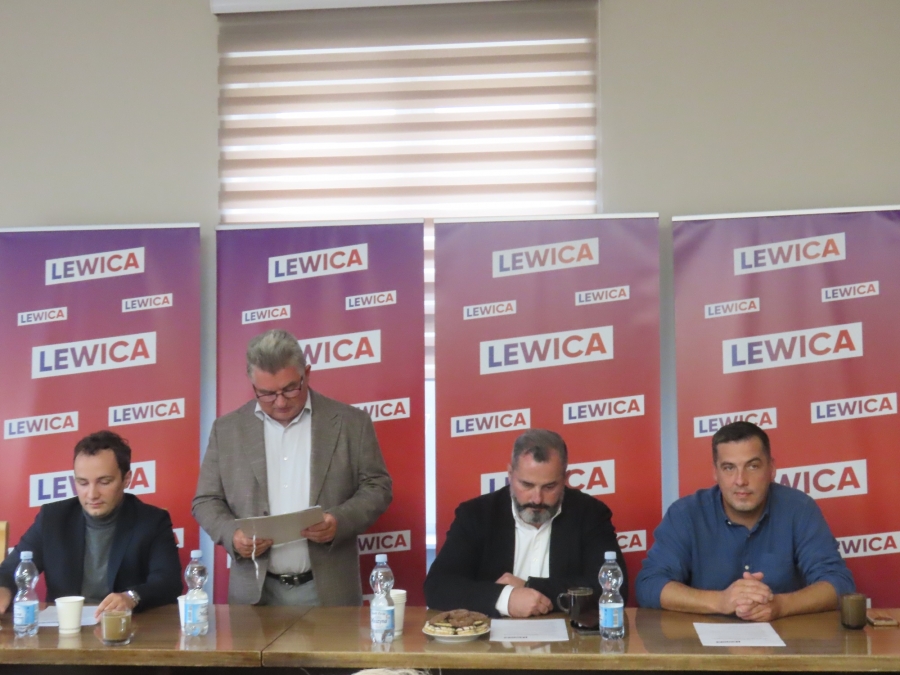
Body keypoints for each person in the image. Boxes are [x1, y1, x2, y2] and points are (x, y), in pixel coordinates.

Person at [193, 329, 392, 606]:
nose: (280, 402)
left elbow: (377, 487)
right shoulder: (226, 429)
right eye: (266, 393)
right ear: (253, 385)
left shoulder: (351, 423)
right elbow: (206, 500)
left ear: (306, 374)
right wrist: (232, 535)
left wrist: (339, 521)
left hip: (329, 591)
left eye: (289, 389)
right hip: (254, 593)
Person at [635, 421, 855, 621]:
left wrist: (781, 605)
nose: (740, 480)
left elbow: (839, 583)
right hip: (704, 648)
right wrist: (720, 601)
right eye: (729, 468)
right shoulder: (686, 514)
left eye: (752, 466)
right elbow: (649, 584)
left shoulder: (799, 509)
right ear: (715, 472)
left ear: (771, 469)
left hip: (787, 644)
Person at [424, 428, 627, 617]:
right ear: (510, 475)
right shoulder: (477, 515)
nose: (537, 499)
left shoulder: (590, 514)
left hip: (569, 639)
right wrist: (506, 598)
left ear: (565, 478)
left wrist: (530, 587)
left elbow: (614, 589)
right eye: (527, 485)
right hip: (490, 641)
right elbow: (438, 586)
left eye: (549, 487)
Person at [0, 430, 181, 617]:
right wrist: (4, 589)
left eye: (104, 482)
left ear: (126, 479)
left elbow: (168, 582)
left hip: (124, 625)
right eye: (83, 483)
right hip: (64, 626)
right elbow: (10, 570)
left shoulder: (152, 521)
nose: (92, 494)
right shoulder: (52, 518)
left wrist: (131, 597)